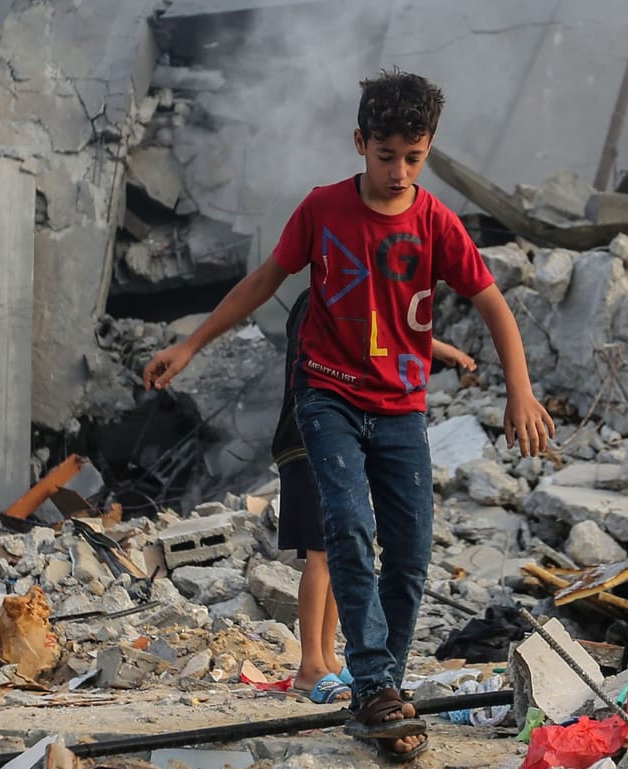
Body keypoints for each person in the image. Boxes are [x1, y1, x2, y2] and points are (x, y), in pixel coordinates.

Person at [144, 69, 554, 762]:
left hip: (400, 410)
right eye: (386, 154)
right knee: (348, 531)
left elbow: (493, 305)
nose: (398, 172)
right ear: (360, 143)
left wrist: (520, 387)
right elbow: (263, 281)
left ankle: (381, 684)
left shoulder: (436, 225)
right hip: (327, 397)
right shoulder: (323, 210)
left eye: (414, 158)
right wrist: (190, 343)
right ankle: (369, 681)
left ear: (428, 151)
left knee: (414, 551)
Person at [272, 287, 474, 705]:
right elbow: (380, 332)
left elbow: (384, 328)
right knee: (321, 553)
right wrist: (440, 350)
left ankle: (327, 658)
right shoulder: (323, 301)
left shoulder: (332, 298)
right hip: (310, 439)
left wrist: (441, 350)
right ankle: (311, 664)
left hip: (327, 439)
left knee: (336, 549)